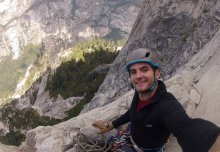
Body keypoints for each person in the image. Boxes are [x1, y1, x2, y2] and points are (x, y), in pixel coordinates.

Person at [92, 48, 220, 152]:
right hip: (131, 136)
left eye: (144, 70)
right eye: (133, 72)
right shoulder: (140, 93)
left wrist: (213, 144)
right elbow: (133, 111)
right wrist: (112, 124)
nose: (138, 76)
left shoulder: (166, 105)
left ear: (157, 74)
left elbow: (186, 127)